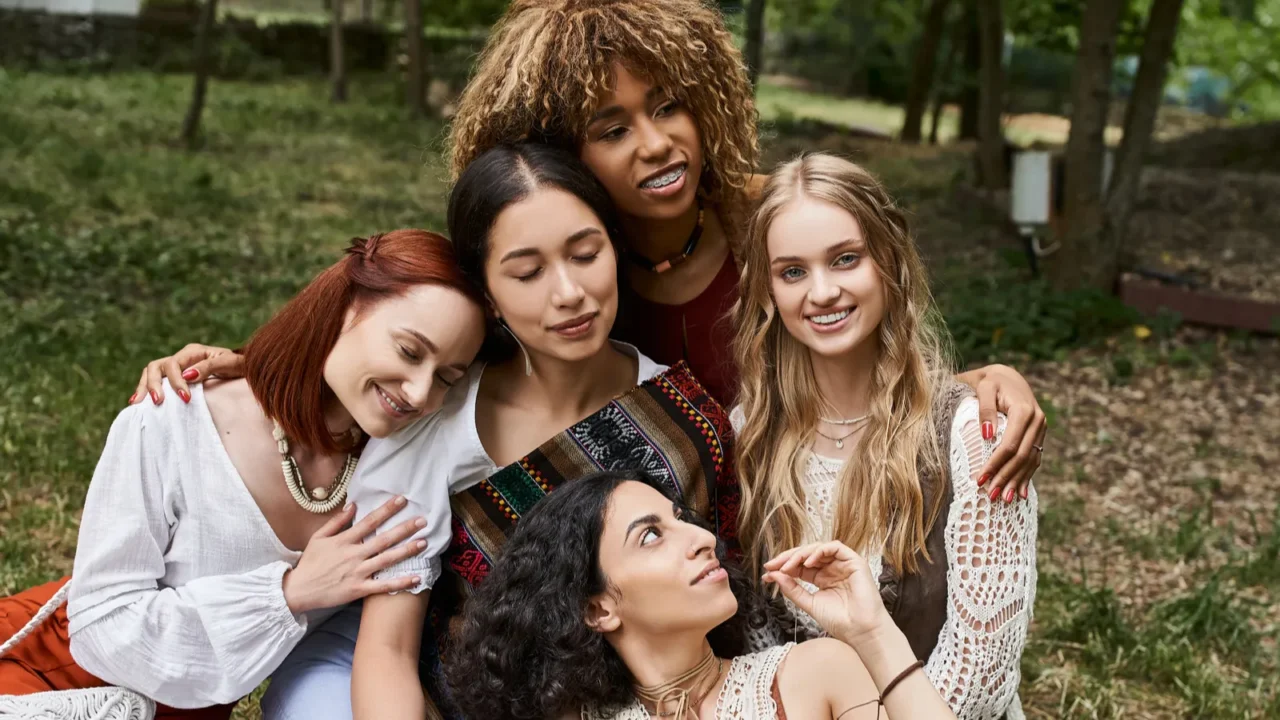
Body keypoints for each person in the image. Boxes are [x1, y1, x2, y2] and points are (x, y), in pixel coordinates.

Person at [139, 0, 1044, 503]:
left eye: (668, 106)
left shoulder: (768, 224)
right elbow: (397, 323)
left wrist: (984, 382)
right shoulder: (542, 278)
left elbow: (868, 329)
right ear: (560, 151)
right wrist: (256, 365)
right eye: (612, 128)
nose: (656, 145)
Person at [258, 145, 739, 720]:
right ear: (487, 296)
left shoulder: (679, 419)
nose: (568, 293)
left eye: (586, 254)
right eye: (528, 273)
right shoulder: (436, 423)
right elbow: (388, 648)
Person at [0, 231, 485, 718]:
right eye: (408, 351)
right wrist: (290, 594)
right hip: (48, 673)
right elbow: (100, 629)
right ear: (345, 308)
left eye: (447, 377)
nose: (421, 393)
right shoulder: (177, 417)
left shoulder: (396, 472)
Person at [731, 154, 1038, 718]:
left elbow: (980, 685)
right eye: (792, 271)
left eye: (845, 260)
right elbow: (762, 645)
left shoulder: (973, 436)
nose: (821, 292)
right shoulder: (751, 433)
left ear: (888, 261)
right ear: (768, 290)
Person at [448, 469, 959, 720]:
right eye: (651, 535)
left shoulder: (810, 674)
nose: (703, 538)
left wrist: (871, 632)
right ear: (598, 608)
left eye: (680, 519)